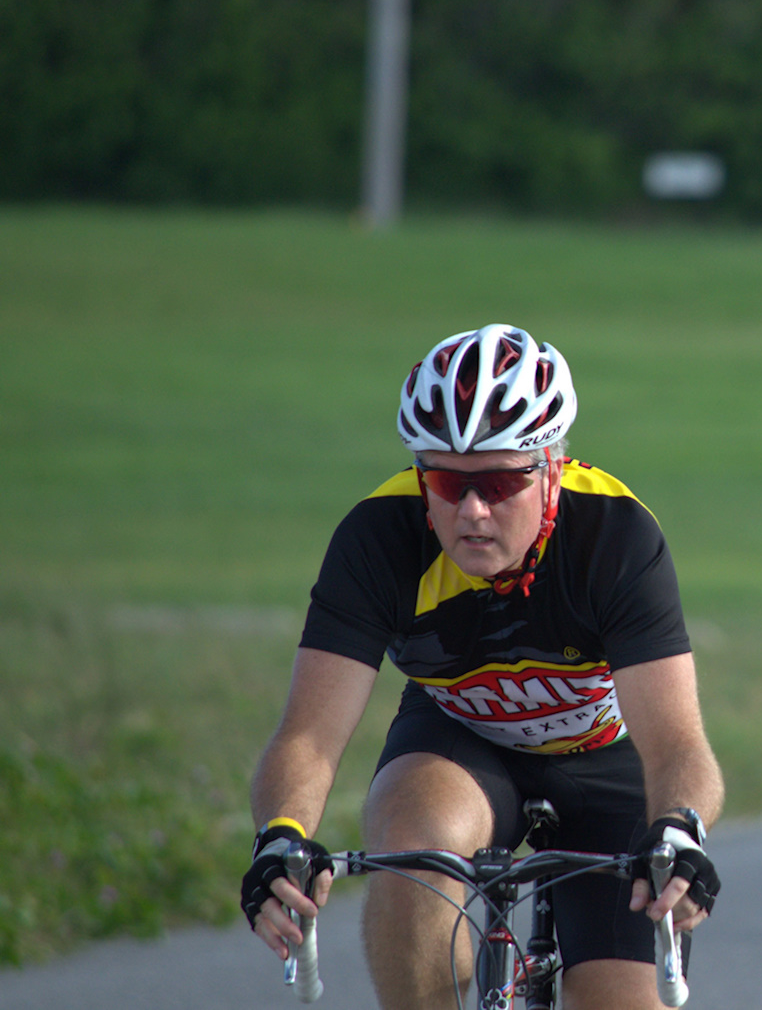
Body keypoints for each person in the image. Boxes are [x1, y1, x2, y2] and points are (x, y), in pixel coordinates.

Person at [240, 324, 725, 1010]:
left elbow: (677, 741)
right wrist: (280, 837)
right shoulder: (378, 537)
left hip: (605, 759)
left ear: (551, 467)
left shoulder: (614, 536)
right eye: (445, 481)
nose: (471, 510)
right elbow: (308, 737)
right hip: (461, 741)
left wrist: (680, 828)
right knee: (411, 854)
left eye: (499, 482)